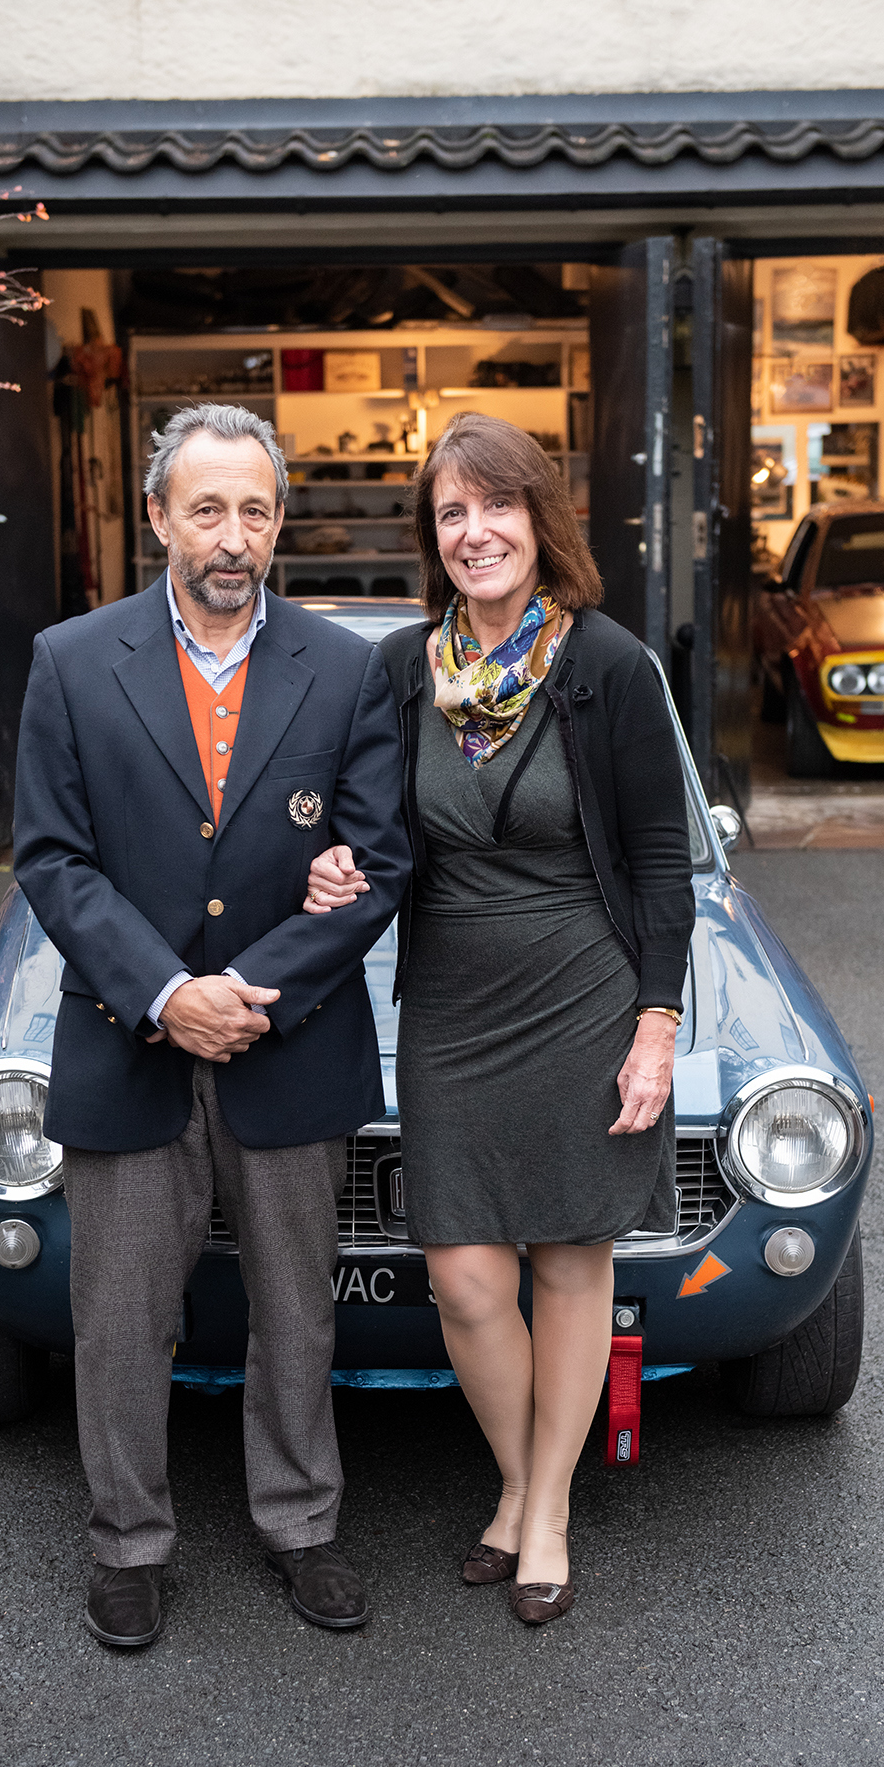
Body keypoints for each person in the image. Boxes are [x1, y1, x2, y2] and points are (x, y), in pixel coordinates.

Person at [14, 402, 412, 1649]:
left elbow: (379, 858)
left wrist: (247, 989)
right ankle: (127, 1545)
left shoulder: (346, 667)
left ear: (278, 521)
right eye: (205, 509)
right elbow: (54, 859)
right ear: (158, 518)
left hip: (286, 1042)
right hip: (127, 1039)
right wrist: (166, 994)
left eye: (253, 510)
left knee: (298, 1310)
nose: (231, 536)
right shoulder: (71, 660)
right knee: (121, 1317)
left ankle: (301, 1525)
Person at [303, 413, 695, 1627]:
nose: (475, 532)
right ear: (433, 538)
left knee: (570, 1262)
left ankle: (542, 1511)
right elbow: (372, 833)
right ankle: (524, 1479)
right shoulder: (399, 671)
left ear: (539, 519)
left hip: (583, 994)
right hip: (454, 1005)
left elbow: (661, 860)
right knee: (465, 1277)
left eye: (496, 505)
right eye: (451, 513)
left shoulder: (609, 666)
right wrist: (336, 865)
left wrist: (656, 1022)